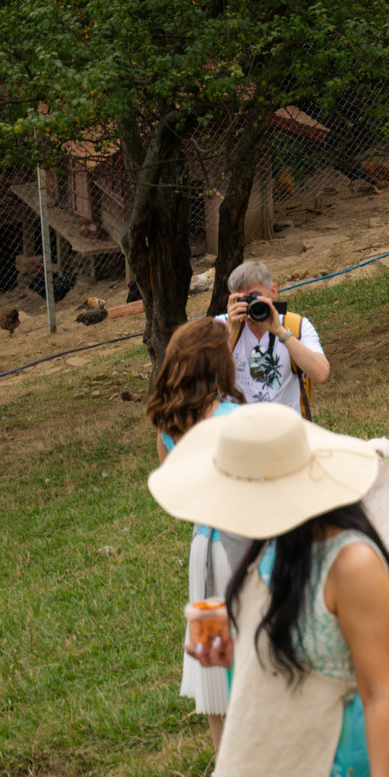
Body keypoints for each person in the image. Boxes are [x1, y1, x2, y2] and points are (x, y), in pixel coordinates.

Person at [148, 401, 389, 777]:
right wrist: (229, 655)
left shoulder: (352, 564)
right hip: (271, 761)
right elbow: (292, 659)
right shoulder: (274, 544)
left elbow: (378, 695)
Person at [149, 319, 248, 745]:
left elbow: (176, 490)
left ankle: (224, 761)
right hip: (238, 545)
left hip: (201, 549)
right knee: (249, 648)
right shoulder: (234, 418)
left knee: (212, 653)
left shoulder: (169, 428)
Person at [217, 262, 328, 415]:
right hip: (238, 431)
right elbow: (203, 382)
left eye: (254, 298)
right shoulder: (219, 326)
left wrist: (281, 332)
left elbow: (321, 374)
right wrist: (230, 331)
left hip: (286, 431)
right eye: (242, 301)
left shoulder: (296, 325)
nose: (250, 307)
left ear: (273, 292)